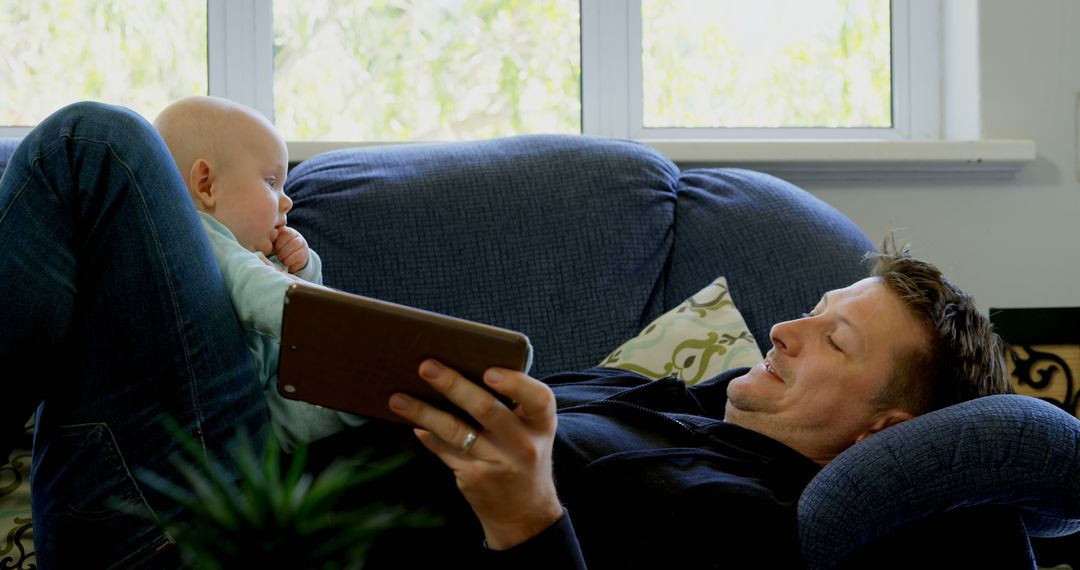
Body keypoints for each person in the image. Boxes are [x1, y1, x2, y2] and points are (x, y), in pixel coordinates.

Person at [384, 243, 1011, 568]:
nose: (784, 330)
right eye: (816, 310)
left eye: (834, 339)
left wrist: (524, 520)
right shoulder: (655, 393)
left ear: (879, 435)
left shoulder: (734, 518)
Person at [152, 96, 366, 450]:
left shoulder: (254, 253)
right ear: (206, 184)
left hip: (254, 409)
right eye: (270, 182)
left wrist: (302, 266)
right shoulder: (193, 237)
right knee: (366, 384)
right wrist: (352, 329)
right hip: (203, 411)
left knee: (361, 395)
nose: (287, 201)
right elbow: (254, 287)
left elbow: (286, 307)